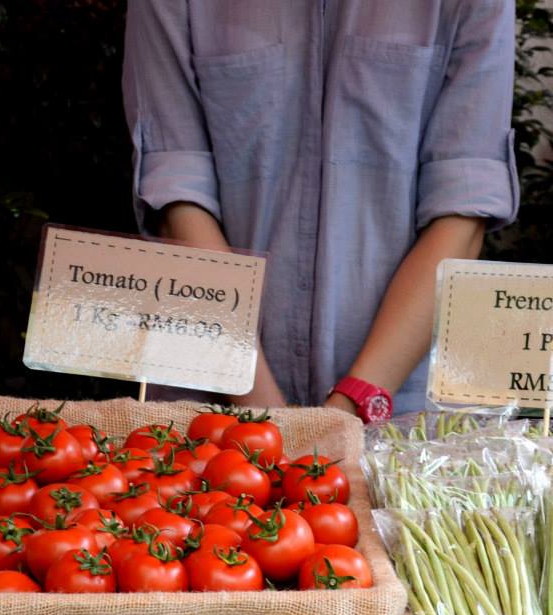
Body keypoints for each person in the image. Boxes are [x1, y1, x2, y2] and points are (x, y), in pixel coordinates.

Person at [123, 0, 518, 423]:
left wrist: (352, 404)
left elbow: (462, 209)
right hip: (213, 408)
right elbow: (178, 198)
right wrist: (264, 417)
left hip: (405, 418)